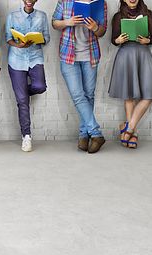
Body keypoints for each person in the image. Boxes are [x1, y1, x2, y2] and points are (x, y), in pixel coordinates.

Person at [52, 0, 107, 153]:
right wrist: (67, 22)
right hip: (68, 56)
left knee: (88, 96)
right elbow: (54, 23)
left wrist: (95, 27)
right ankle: (96, 133)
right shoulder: (64, 2)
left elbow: (102, 31)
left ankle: (84, 135)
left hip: (90, 56)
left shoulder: (100, 3)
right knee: (78, 96)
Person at [5, 0, 50, 152]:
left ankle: (22, 94)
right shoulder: (12, 16)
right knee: (23, 102)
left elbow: (47, 38)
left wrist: (37, 40)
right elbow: (8, 38)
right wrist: (18, 44)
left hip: (35, 57)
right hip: (16, 60)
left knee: (40, 86)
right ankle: (27, 136)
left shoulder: (42, 16)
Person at [109, 0, 152, 149]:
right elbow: (113, 40)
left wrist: (148, 40)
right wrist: (118, 40)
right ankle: (132, 134)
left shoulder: (148, 14)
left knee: (148, 95)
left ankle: (128, 128)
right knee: (129, 95)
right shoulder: (118, 16)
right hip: (126, 55)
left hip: (143, 55)